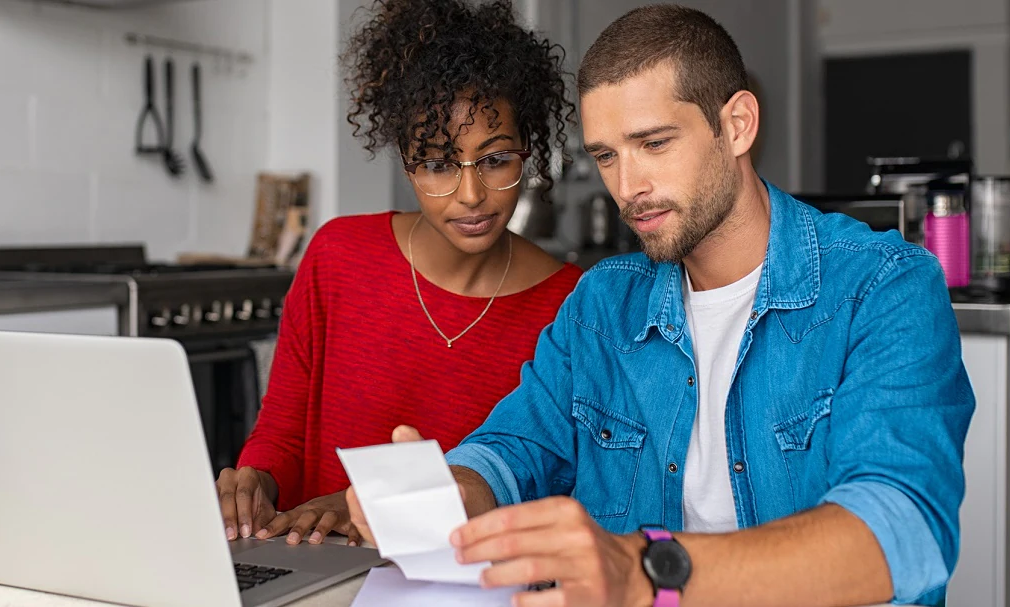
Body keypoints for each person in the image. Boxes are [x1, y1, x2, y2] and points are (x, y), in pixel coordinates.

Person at [347, 5, 975, 607]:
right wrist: (451, 492)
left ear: (737, 125)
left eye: (653, 144)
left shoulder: (885, 287)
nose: (627, 187)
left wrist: (647, 572)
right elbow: (516, 450)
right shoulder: (600, 304)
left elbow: (902, 530)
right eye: (606, 155)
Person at [215, 0, 582, 548]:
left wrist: (363, 506)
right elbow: (282, 435)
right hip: (316, 570)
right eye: (437, 165)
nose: (471, 194)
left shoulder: (571, 304)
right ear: (404, 159)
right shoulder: (337, 257)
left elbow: (546, 488)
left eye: (495, 158)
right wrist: (254, 483)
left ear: (528, 151)